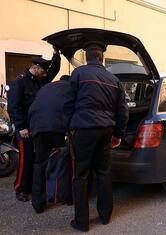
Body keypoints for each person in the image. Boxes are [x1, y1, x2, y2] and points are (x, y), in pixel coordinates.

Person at [67, 41, 128, 232]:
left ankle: (82, 222)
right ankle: (105, 216)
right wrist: (118, 134)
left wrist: (67, 130)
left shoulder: (78, 74)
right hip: (106, 130)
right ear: (102, 58)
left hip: (83, 130)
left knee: (80, 176)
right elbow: (123, 111)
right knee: (103, 173)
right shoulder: (113, 79)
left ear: (87, 57)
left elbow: (68, 104)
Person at [7, 47, 61, 202]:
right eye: (42, 71)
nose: (45, 75)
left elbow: (52, 71)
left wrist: (56, 54)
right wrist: (21, 126)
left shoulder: (38, 80)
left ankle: (30, 185)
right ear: (35, 68)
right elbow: (14, 107)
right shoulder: (19, 82)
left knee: (36, 157)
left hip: (36, 126)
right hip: (25, 127)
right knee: (26, 158)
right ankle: (20, 188)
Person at [28, 75, 72, 213]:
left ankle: (38, 203)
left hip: (37, 126)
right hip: (56, 126)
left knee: (40, 163)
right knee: (63, 160)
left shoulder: (46, 87)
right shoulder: (70, 88)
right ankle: (66, 196)